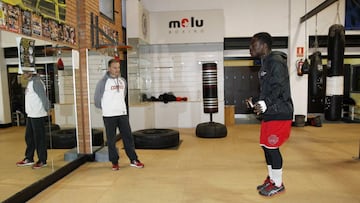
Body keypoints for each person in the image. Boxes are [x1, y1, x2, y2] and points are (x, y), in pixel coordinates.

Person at [249, 32, 293, 197]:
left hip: (280, 112)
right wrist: (256, 100)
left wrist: (266, 102)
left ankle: (279, 184)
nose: (250, 48)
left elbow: (279, 87)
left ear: (264, 45)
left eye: (254, 44)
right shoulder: (265, 63)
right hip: (270, 113)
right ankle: (272, 179)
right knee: (265, 146)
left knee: (272, 148)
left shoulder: (275, 61)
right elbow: (267, 89)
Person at [94, 59, 144, 171]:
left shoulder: (122, 81)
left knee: (128, 138)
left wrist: (119, 107)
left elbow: (123, 95)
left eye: (118, 67)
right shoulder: (102, 82)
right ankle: (114, 162)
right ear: (109, 68)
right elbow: (97, 100)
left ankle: (133, 159)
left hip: (122, 114)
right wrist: (108, 108)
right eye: (114, 67)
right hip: (109, 115)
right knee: (111, 140)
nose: (117, 70)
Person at [16, 67, 49, 169]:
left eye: (24, 73)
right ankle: (29, 158)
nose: (23, 75)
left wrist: (47, 109)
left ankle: (42, 160)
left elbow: (44, 98)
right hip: (31, 115)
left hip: (37, 114)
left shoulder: (37, 82)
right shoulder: (31, 82)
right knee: (29, 137)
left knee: (39, 139)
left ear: (30, 72)